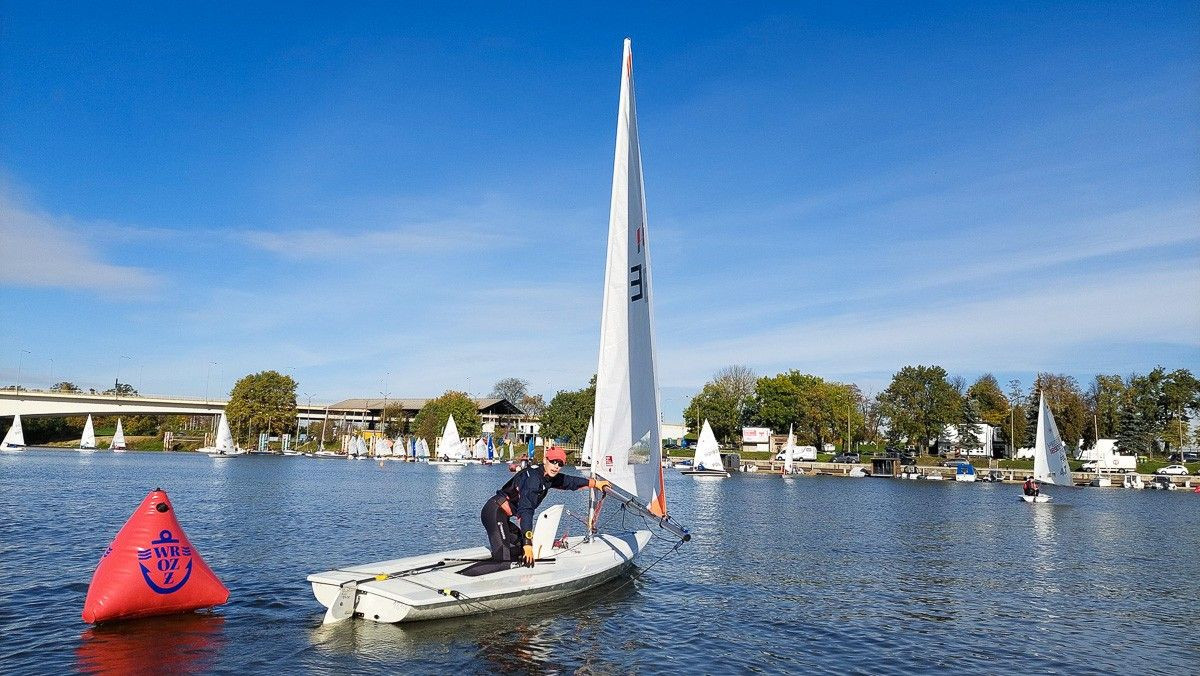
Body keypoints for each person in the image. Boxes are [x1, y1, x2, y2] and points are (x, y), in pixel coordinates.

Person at [481, 446, 610, 569]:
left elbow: (571, 481)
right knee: (503, 561)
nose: (556, 467)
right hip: (494, 512)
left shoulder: (548, 476)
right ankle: (464, 580)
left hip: (504, 517)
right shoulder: (533, 480)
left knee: (520, 548)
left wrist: (595, 483)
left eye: (560, 464)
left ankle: (509, 562)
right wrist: (527, 544)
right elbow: (526, 511)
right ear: (545, 460)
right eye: (553, 462)